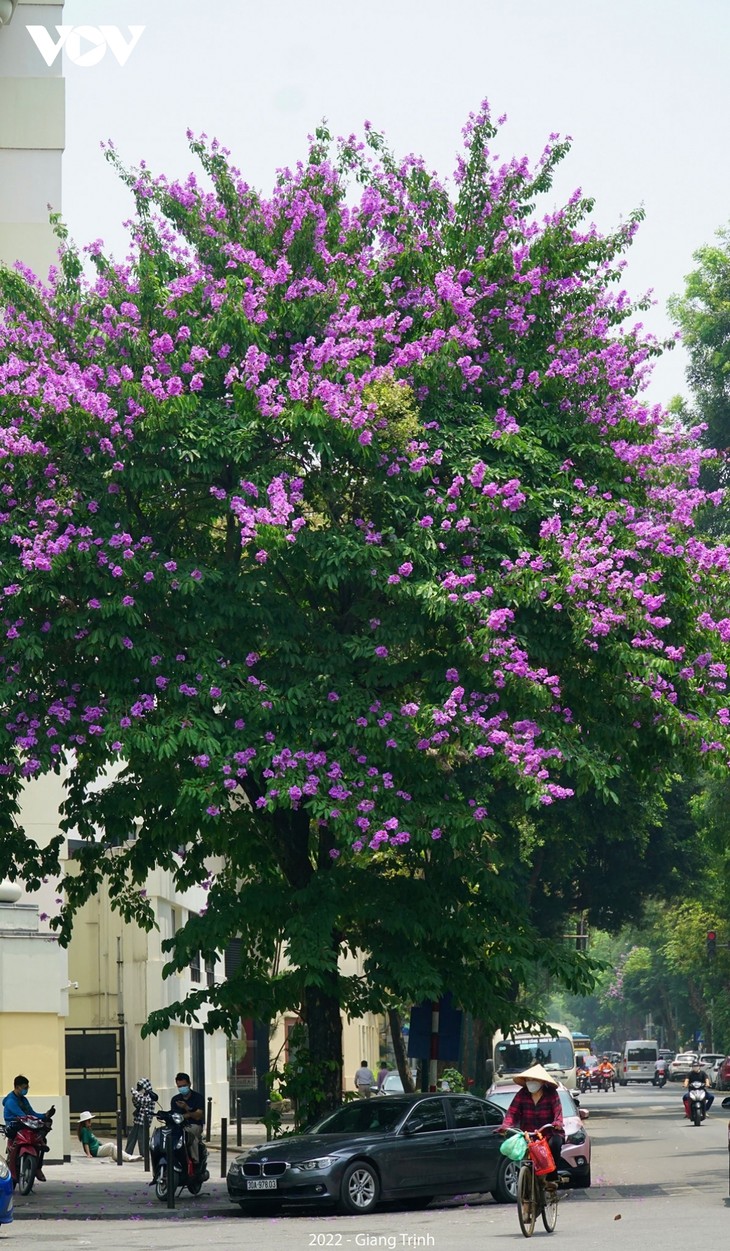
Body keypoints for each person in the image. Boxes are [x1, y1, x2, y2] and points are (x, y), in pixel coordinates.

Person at [498, 1063, 565, 1193]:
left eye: (533, 1080)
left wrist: (557, 1123)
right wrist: (506, 1126)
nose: (530, 1083)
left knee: (555, 1144)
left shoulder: (551, 1094)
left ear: (541, 1081)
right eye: (528, 1080)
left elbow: (558, 1112)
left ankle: (551, 1178)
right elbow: (512, 1112)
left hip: (548, 1133)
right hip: (528, 1134)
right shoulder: (522, 1094)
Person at [2, 1075, 55, 1182]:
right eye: (24, 1087)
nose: (26, 1089)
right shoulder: (10, 1101)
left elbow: (32, 1113)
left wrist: (45, 1115)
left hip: (26, 1123)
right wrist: (33, 1119)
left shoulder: (24, 1100)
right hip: (15, 1126)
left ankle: (38, 1167)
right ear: (17, 1087)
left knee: (45, 1129)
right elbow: (22, 1115)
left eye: (27, 1087)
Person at [170, 1072, 205, 1164]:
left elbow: (198, 1116)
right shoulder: (175, 1099)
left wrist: (186, 1108)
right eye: (179, 1086)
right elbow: (175, 1116)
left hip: (194, 1125)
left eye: (184, 1085)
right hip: (178, 1126)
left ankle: (195, 1160)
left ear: (189, 1084)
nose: (182, 1088)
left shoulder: (198, 1098)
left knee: (189, 1134)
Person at [125, 1077, 158, 1156]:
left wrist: (134, 1092)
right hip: (138, 1120)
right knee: (131, 1137)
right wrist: (135, 1097)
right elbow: (137, 1104)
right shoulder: (144, 1095)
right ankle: (127, 1153)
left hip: (144, 1121)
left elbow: (144, 1101)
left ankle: (144, 1155)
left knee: (142, 1139)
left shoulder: (151, 1096)